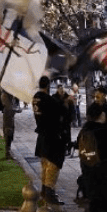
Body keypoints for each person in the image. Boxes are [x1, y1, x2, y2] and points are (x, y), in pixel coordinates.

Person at [33, 76, 68, 205]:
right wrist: (63, 99)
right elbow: (62, 110)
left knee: (45, 165)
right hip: (52, 137)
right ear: (48, 85)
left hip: (42, 136)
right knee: (53, 165)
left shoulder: (36, 97)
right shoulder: (48, 99)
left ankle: (44, 191)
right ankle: (49, 193)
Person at [0, 90, 17, 159]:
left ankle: (8, 152)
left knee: (11, 132)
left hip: (10, 116)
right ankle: (7, 153)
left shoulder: (8, 95)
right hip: (8, 116)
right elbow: (9, 107)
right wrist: (15, 110)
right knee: (8, 133)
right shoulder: (5, 95)